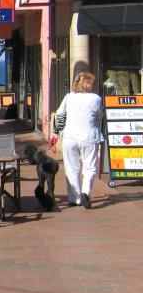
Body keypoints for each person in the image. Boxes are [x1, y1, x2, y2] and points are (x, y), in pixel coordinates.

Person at [55, 71, 103, 209]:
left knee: (72, 168)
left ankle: (74, 198)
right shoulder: (96, 99)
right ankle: (85, 191)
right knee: (90, 167)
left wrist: (59, 129)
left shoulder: (69, 97)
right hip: (90, 136)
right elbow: (100, 116)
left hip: (70, 136)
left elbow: (59, 114)